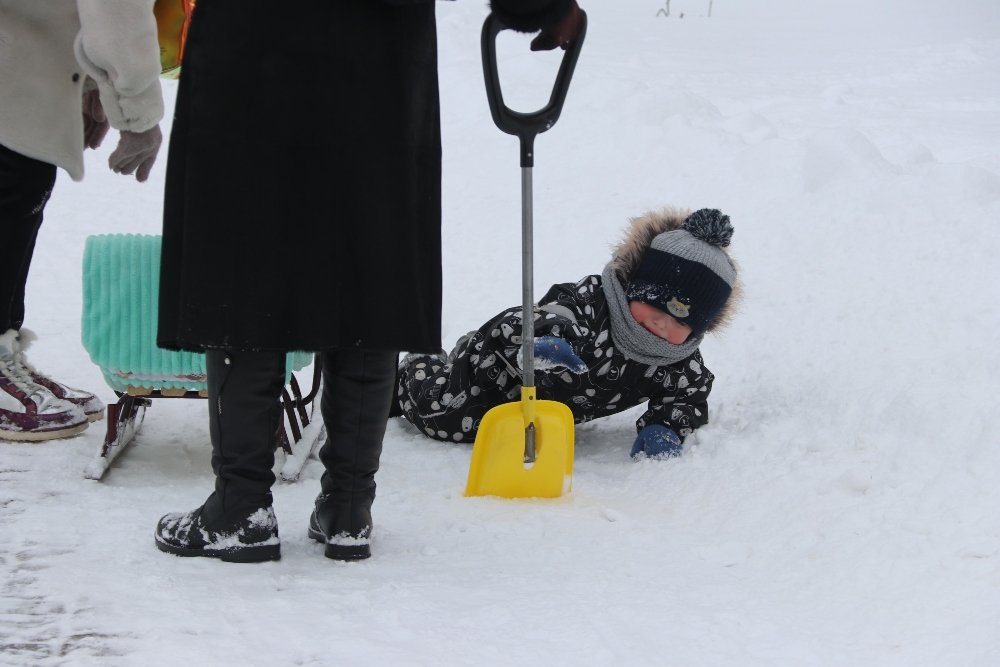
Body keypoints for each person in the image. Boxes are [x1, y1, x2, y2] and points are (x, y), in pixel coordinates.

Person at [153, 0, 586, 563]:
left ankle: (241, 509)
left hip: (253, 42)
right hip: (378, 49)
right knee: (367, 254)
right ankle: (349, 508)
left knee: (248, 248)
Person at [394, 207, 741, 458]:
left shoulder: (677, 361)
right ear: (634, 286)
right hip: (501, 373)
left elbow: (688, 396)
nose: (663, 324)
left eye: (682, 322)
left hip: (544, 408)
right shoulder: (590, 306)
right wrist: (545, 341)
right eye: (655, 305)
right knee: (443, 421)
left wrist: (665, 427)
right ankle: (415, 367)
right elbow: (536, 317)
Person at [0, 1, 164, 442]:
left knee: (20, 189)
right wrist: (135, 112)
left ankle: (3, 348)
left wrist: (91, 81)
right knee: (11, 188)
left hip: (25, 56)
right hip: (15, 57)